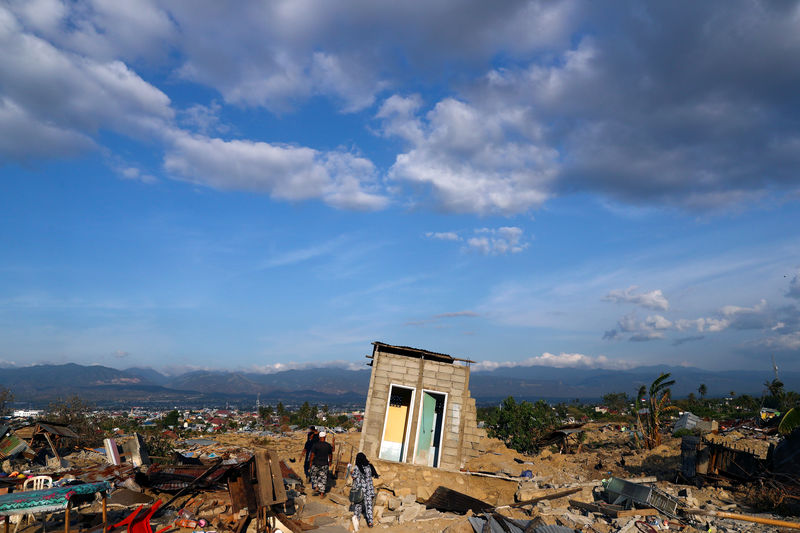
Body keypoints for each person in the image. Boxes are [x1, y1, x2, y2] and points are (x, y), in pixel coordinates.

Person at [349, 452, 379, 530]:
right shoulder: (369, 466)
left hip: (360, 490)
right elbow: (374, 475)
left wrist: (350, 472)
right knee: (369, 506)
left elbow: (354, 477)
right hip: (369, 490)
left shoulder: (357, 467)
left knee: (358, 506)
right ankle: (370, 522)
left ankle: (357, 521)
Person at [308, 431, 333, 497]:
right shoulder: (328, 445)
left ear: (319, 437)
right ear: (325, 437)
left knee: (313, 475)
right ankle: (322, 493)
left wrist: (310, 462)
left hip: (316, 463)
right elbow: (330, 455)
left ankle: (316, 486)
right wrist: (330, 462)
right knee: (323, 478)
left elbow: (312, 455)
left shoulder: (315, 445)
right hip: (325, 464)